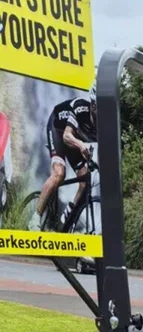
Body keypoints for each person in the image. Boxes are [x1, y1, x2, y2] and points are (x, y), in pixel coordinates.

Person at [30, 85, 97, 232]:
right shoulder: (80, 108)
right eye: (95, 107)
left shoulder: (105, 124)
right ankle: (35, 218)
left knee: (86, 182)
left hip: (75, 139)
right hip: (59, 129)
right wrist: (80, 145)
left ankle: (65, 222)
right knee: (59, 174)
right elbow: (67, 136)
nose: (98, 112)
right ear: (91, 104)